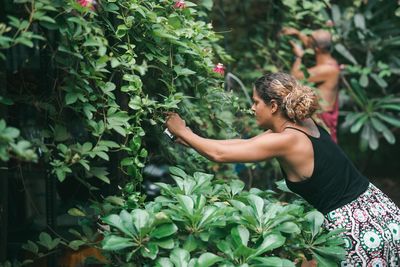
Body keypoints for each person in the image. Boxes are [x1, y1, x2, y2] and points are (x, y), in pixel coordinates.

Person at [165, 72, 400, 266]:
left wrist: (183, 131)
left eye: (256, 102)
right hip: (379, 211)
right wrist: (192, 139)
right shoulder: (302, 125)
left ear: (274, 106)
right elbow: (244, 146)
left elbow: (220, 154)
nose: (252, 107)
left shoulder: (288, 140)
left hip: (357, 228)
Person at [281, 27, 340, 143]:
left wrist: (299, 56)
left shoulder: (327, 70)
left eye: (309, 40)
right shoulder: (331, 61)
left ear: (317, 49)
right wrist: (298, 33)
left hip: (322, 120)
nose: (306, 40)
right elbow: (311, 43)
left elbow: (295, 76)